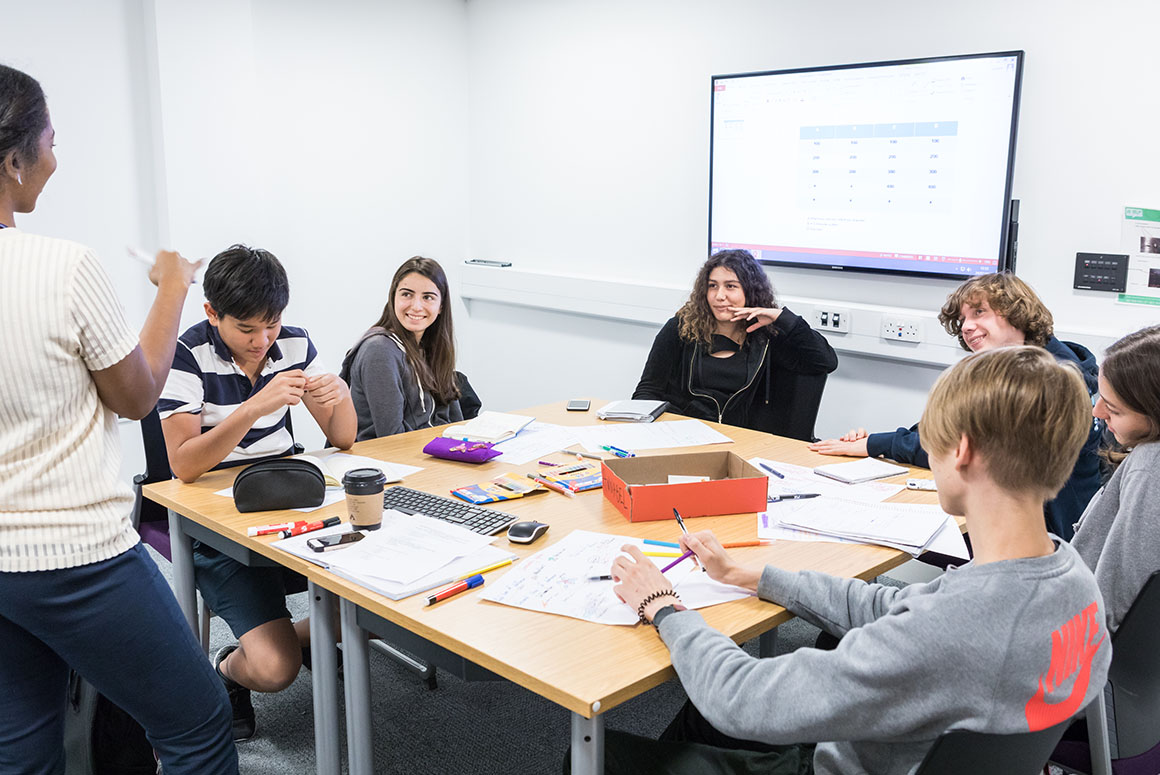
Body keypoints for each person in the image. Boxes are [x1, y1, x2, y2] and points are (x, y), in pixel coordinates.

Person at [594, 346, 1111, 775]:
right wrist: (752, 575)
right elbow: (894, 606)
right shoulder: (1072, 580)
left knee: (600, 755)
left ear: (962, 451)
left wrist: (663, 605)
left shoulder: (949, 633)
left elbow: (741, 698)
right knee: (698, 713)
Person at [0, 64, 236, 772]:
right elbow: (136, 398)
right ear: (14, 161)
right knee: (198, 722)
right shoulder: (63, 266)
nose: (55, 160)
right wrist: (172, 286)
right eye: (50, 143)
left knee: (23, 748)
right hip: (73, 555)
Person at [158, 244, 357, 740]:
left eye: (271, 324)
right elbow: (183, 465)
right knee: (274, 669)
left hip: (289, 503)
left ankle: (298, 637)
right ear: (212, 313)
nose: (262, 341)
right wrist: (253, 407)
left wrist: (341, 395)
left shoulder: (293, 343)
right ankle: (226, 667)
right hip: (217, 525)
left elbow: (343, 438)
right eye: (247, 329)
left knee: (385, 613)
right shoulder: (185, 354)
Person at [810, 272, 1101, 540]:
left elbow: (969, 448)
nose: (966, 327)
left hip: (1047, 534)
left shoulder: (1046, 380)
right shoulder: (1023, 365)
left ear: (1016, 311)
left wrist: (876, 444)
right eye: (962, 319)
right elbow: (948, 427)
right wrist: (874, 443)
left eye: (979, 312)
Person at [633, 249, 838, 435]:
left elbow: (825, 361)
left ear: (750, 290)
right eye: (712, 286)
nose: (719, 296)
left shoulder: (768, 335)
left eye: (730, 286)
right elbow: (647, 391)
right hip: (684, 435)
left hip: (746, 441)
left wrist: (782, 317)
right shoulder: (681, 328)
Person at [1072, 325, 1160, 634]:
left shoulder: (1150, 465)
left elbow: (1120, 593)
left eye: (1113, 409)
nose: (1097, 411)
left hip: (1094, 642)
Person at [341, 256, 464, 440]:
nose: (416, 306)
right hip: (387, 455)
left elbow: (457, 426)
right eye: (407, 294)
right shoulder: (379, 351)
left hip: (429, 450)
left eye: (427, 297)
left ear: (441, 306)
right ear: (393, 298)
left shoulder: (431, 347)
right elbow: (392, 438)